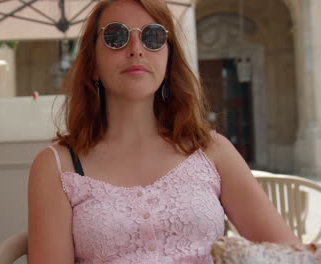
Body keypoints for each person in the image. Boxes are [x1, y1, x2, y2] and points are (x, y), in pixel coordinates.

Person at [28, 0, 301, 263]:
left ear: (169, 63)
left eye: (153, 37)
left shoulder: (211, 150)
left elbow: (289, 255)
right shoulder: (56, 166)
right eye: (116, 36)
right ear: (92, 66)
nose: (136, 48)